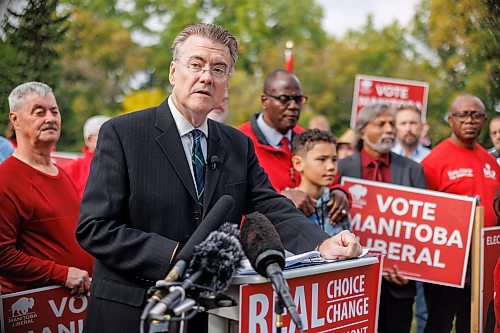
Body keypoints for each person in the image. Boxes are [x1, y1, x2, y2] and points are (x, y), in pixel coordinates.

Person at [76, 23, 362, 332]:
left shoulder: (237, 144)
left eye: (219, 69)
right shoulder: (123, 134)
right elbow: (95, 228)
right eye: (195, 65)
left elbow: (270, 206)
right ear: (174, 72)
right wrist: (176, 255)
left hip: (205, 315)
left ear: (226, 84)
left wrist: (322, 242)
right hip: (132, 312)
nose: (206, 77)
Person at [336, 103, 427, 333]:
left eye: (391, 124)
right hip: (352, 282)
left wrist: (411, 267)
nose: (390, 129)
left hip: (399, 284)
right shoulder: (341, 169)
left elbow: (422, 227)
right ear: (362, 130)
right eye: (381, 124)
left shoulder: (412, 170)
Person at [0, 82, 93, 295]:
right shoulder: (5, 180)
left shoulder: (62, 174)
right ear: (15, 120)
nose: (50, 119)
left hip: (74, 308)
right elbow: (3, 255)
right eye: (39, 112)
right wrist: (61, 274)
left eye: (54, 111)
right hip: (33, 313)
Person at [421, 94, 500, 333]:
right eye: (463, 115)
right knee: (440, 324)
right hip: (448, 264)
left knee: (477, 323)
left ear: (484, 122)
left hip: (485, 262)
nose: (469, 120)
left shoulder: (491, 161)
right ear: (451, 120)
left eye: (476, 115)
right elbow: (424, 215)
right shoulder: (433, 161)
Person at [238, 69, 350, 221]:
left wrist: (339, 192)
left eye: (298, 99)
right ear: (264, 100)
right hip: (260, 237)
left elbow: (331, 177)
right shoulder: (239, 140)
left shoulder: (308, 139)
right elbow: (234, 193)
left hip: (306, 234)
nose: (293, 106)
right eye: (284, 99)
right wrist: (281, 198)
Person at [392, 104, 430, 333]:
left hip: (423, 242)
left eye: (413, 123)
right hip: (395, 243)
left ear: (422, 127)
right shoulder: (387, 158)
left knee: (425, 307)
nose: (409, 128)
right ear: (395, 127)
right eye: (403, 123)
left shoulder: (431, 159)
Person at [291, 129, 350, 236]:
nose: (331, 167)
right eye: (322, 159)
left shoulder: (338, 205)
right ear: (298, 163)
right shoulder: (287, 207)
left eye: (334, 159)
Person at [63, 115, 110, 197]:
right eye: (106, 135)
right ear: (89, 140)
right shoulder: (72, 169)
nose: (112, 139)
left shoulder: (122, 165)